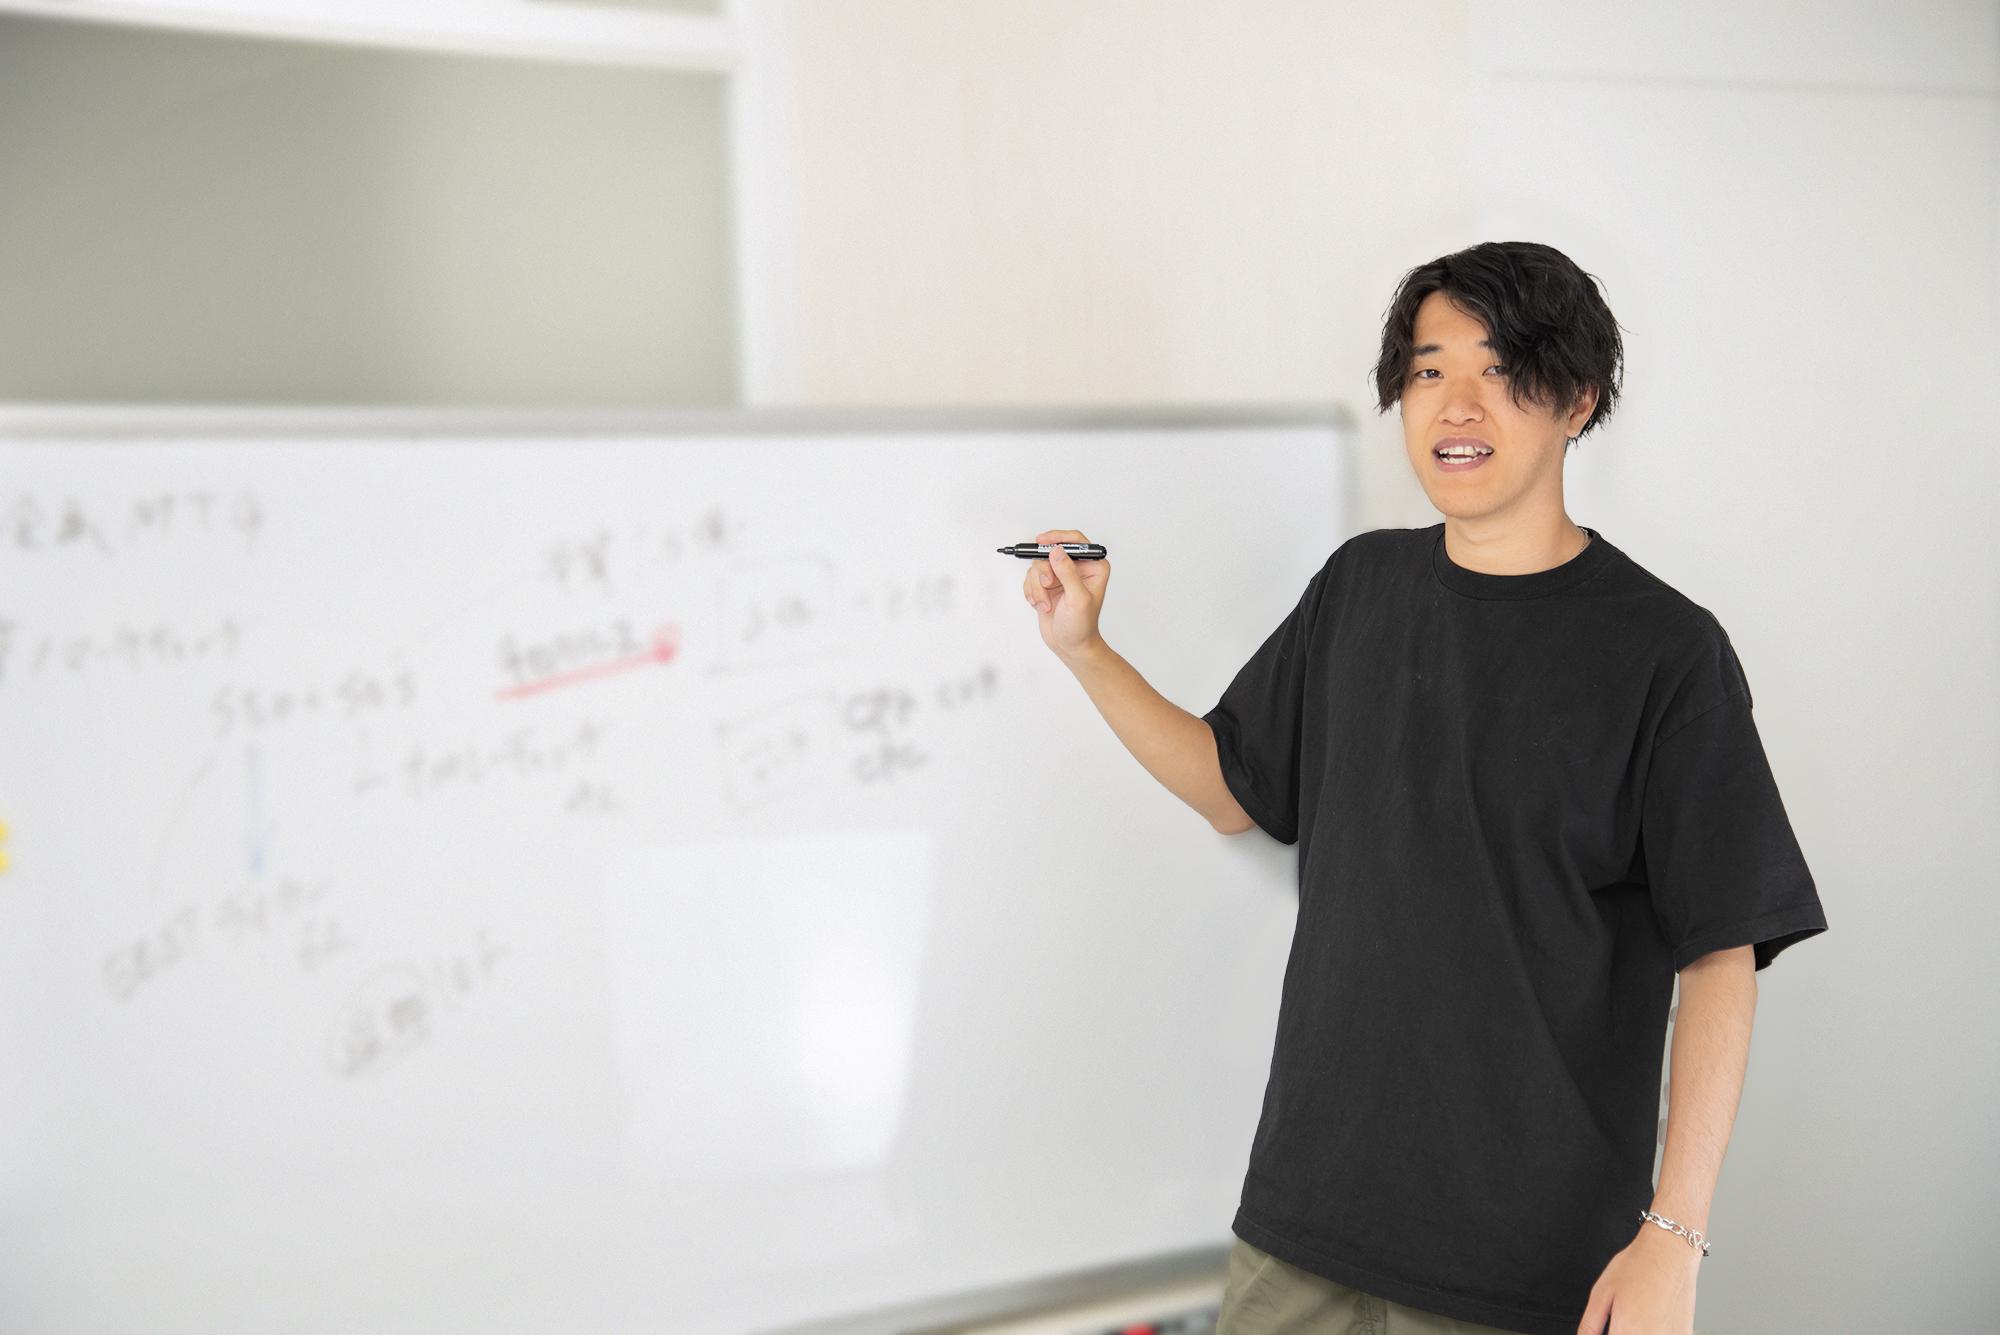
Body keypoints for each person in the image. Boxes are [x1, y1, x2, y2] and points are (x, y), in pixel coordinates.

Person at [1021, 241, 1828, 1335]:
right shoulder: (1360, 586)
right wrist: (1085, 649)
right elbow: (1228, 788)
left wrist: (1673, 1237)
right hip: (1302, 1222)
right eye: (1427, 369)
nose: (1456, 405)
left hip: (1520, 1263)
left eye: (1501, 371)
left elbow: (1721, 953)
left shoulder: (1666, 652)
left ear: (1578, 401)